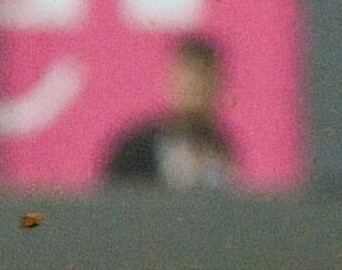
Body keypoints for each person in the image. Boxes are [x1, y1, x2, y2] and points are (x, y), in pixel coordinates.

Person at [100, 35, 240, 189]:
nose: (195, 92)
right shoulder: (135, 151)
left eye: (202, 84)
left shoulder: (222, 151)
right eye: (189, 84)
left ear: (218, 86)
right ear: (170, 82)